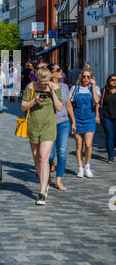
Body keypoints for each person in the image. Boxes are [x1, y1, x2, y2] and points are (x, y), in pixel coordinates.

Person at [21, 67, 62, 206]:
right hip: (33, 125)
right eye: (41, 83)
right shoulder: (30, 87)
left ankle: (42, 191)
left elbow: (59, 107)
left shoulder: (55, 87)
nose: (44, 85)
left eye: (46, 82)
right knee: (36, 158)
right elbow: (23, 106)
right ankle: (44, 181)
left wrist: (52, 92)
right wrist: (34, 101)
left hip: (48, 127)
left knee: (44, 157)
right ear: (37, 79)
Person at [48, 63, 76, 191]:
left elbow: (69, 105)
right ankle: (47, 175)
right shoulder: (46, 87)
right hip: (49, 123)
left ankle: (59, 180)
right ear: (52, 73)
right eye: (58, 70)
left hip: (64, 123)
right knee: (50, 155)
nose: (61, 71)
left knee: (62, 152)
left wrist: (73, 121)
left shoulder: (64, 86)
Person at [70, 66, 101, 178]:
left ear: (91, 77)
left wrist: (93, 86)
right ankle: (80, 168)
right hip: (77, 118)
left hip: (89, 118)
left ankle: (87, 166)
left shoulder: (95, 88)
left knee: (88, 145)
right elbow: (70, 104)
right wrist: (72, 121)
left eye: (88, 77)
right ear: (81, 77)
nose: (86, 79)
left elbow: (97, 101)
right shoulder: (75, 88)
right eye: (84, 77)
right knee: (79, 145)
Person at [99, 74, 116, 164]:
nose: (114, 81)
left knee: (115, 137)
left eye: (115, 80)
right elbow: (99, 102)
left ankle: (111, 149)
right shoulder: (104, 90)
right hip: (106, 116)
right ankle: (110, 155)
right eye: (112, 80)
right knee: (110, 135)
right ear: (109, 81)